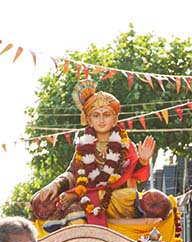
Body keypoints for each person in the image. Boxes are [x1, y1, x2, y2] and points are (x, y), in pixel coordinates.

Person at [30, 82, 170, 229]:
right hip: (86, 199)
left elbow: (137, 176)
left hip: (117, 200)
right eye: (96, 116)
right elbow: (73, 173)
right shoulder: (83, 147)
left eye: (106, 115)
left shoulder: (126, 145)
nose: (101, 120)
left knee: (127, 195)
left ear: (115, 119)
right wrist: (56, 184)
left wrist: (143, 160)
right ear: (89, 120)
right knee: (66, 207)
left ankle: (80, 203)